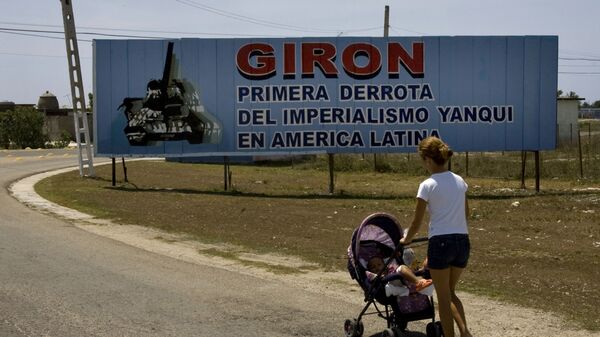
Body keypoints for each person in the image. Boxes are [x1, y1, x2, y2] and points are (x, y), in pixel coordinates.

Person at [399, 136, 473, 337]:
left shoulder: (427, 184)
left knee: (443, 296)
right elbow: (467, 214)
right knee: (451, 292)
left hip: (441, 243)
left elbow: (416, 221)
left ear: (428, 160)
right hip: (462, 242)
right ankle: (465, 332)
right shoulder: (460, 181)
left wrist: (406, 240)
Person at [365, 255, 433, 292]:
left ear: (384, 264)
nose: (376, 267)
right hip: (392, 284)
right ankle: (418, 282)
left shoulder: (390, 267)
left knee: (405, 267)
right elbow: (372, 279)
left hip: (401, 280)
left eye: (379, 264)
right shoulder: (373, 276)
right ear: (370, 270)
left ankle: (423, 270)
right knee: (402, 268)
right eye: (373, 267)